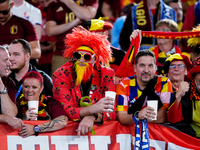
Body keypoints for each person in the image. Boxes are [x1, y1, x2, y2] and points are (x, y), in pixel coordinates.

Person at [53, 27, 116, 137]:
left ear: (95, 59)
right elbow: (68, 111)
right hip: (68, 133)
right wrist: (94, 109)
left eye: (86, 57)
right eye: (77, 56)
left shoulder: (107, 74)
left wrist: (92, 117)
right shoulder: (61, 74)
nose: (81, 60)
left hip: (100, 134)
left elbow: (112, 112)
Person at [116, 30, 173, 125]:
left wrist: (136, 117)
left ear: (155, 68)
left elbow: (161, 118)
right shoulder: (123, 84)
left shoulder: (164, 82)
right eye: (142, 65)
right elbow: (121, 118)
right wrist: (138, 115)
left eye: (150, 66)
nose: (146, 70)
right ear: (135, 68)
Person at [46, 0, 99, 74]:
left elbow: (88, 15)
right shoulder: (55, 5)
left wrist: (68, 1)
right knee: (59, 83)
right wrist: (75, 22)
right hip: (62, 53)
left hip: (85, 53)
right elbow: (50, 31)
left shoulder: (88, 1)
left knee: (85, 83)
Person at [18, 71, 68, 138]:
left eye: (34, 87)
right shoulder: (16, 104)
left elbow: (63, 121)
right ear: (22, 87)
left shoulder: (50, 102)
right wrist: (23, 119)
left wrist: (35, 129)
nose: (29, 90)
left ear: (41, 89)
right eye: (26, 87)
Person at [8, 39, 53, 109]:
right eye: (9, 54)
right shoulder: (4, 80)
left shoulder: (44, 79)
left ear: (27, 56)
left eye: (16, 54)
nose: (10, 58)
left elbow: (55, 107)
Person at [167, 56, 200, 138]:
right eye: (199, 73)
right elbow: (173, 120)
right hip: (192, 139)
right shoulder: (187, 92)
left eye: (180, 66)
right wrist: (178, 96)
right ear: (193, 76)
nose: (176, 69)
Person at [0, 45, 24, 129]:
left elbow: (11, 115)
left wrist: (1, 87)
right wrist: (5, 118)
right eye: (5, 60)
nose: (9, 64)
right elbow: (8, 118)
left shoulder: (8, 82)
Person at [37, 0, 55, 76]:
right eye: (42, 2)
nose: (46, 5)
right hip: (40, 59)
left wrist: (54, 45)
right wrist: (37, 46)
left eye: (47, 1)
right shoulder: (36, 12)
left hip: (57, 55)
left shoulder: (60, 10)